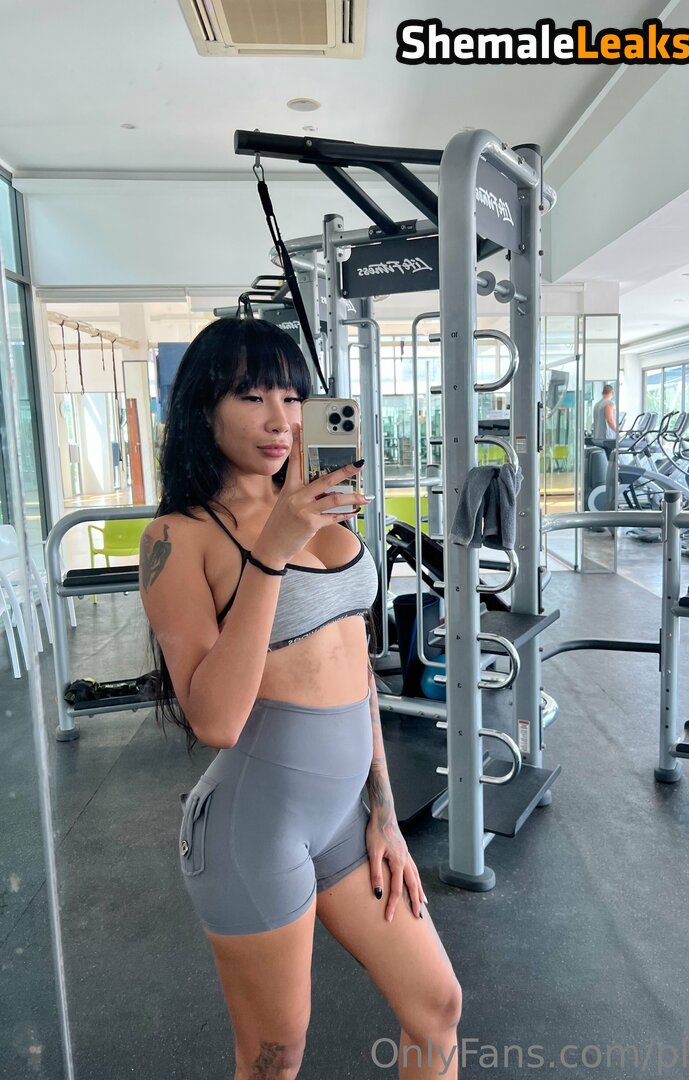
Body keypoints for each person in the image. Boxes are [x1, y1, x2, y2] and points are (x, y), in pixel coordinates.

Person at [139, 317, 462, 1080]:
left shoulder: (324, 508)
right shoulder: (178, 538)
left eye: (292, 397)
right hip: (254, 829)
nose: (280, 419)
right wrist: (273, 551)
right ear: (203, 409)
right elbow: (215, 720)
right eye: (252, 397)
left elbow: (355, 666)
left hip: (347, 819)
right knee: (274, 1058)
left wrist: (384, 813)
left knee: (437, 1006)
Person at [591, 383, 617, 451]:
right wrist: (618, 431)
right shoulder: (609, 404)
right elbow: (610, 420)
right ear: (612, 392)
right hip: (606, 439)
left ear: (602, 393)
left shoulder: (596, 405)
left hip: (597, 438)